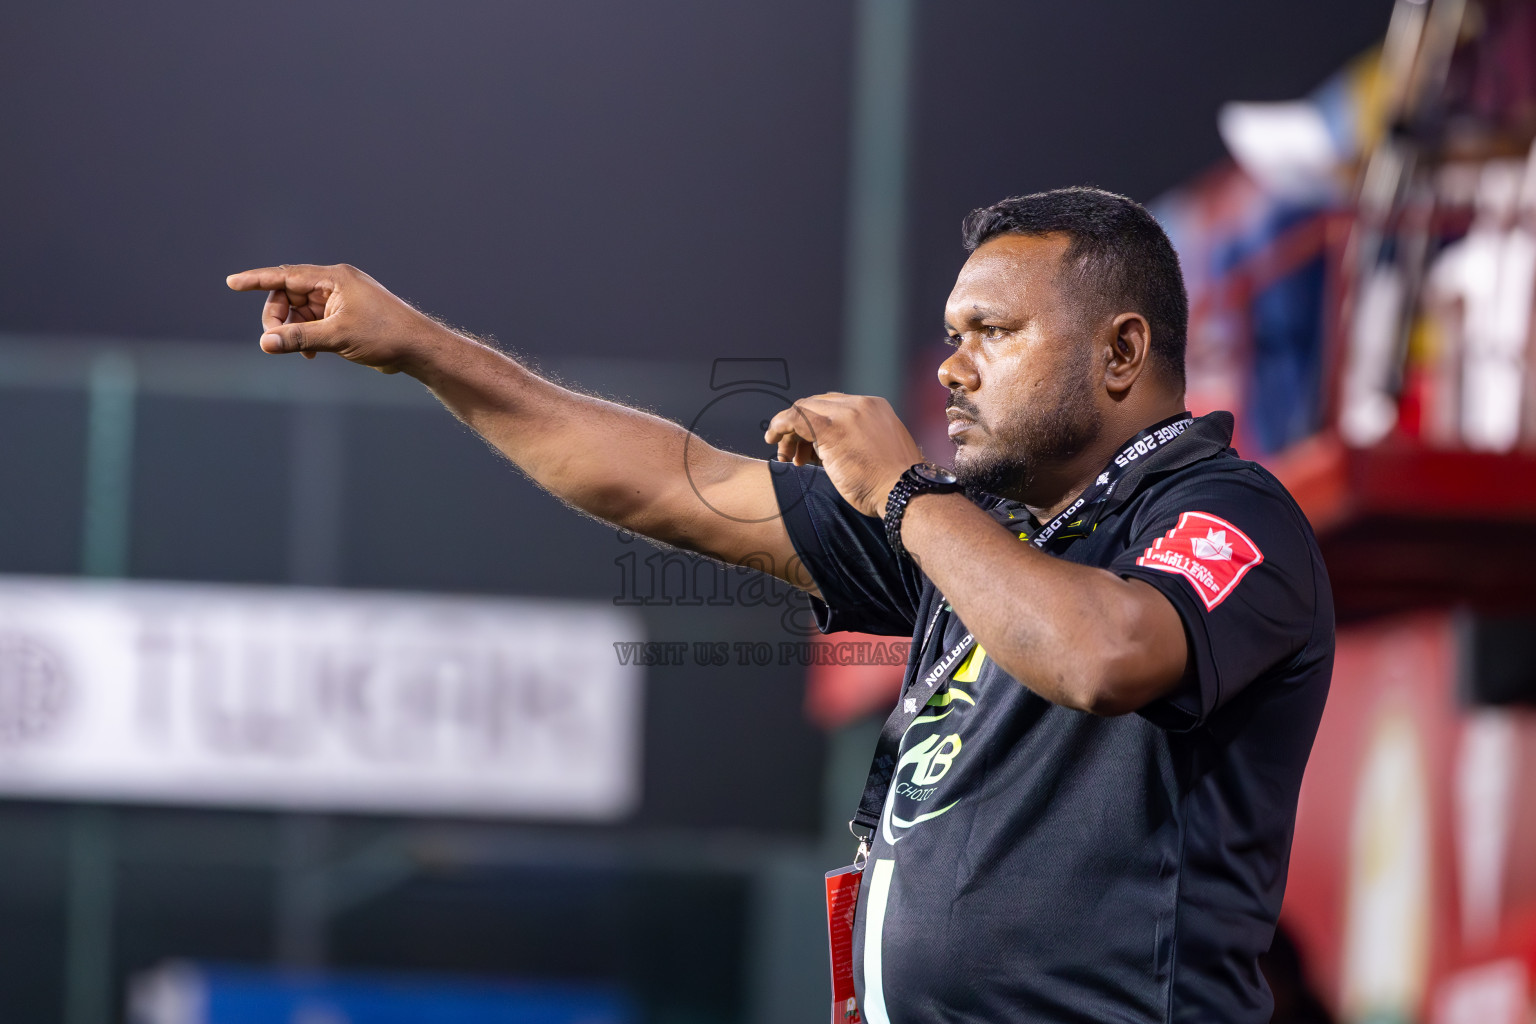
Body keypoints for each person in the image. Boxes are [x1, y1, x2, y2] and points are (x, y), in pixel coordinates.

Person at [228, 186, 1333, 1023]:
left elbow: (1103, 653)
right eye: (951, 334)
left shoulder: (1230, 511)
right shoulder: (979, 538)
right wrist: (419, 346)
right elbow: (664, 479)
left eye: (992, 332)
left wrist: (906, 495)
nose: (951, 368)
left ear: (1123, 351)